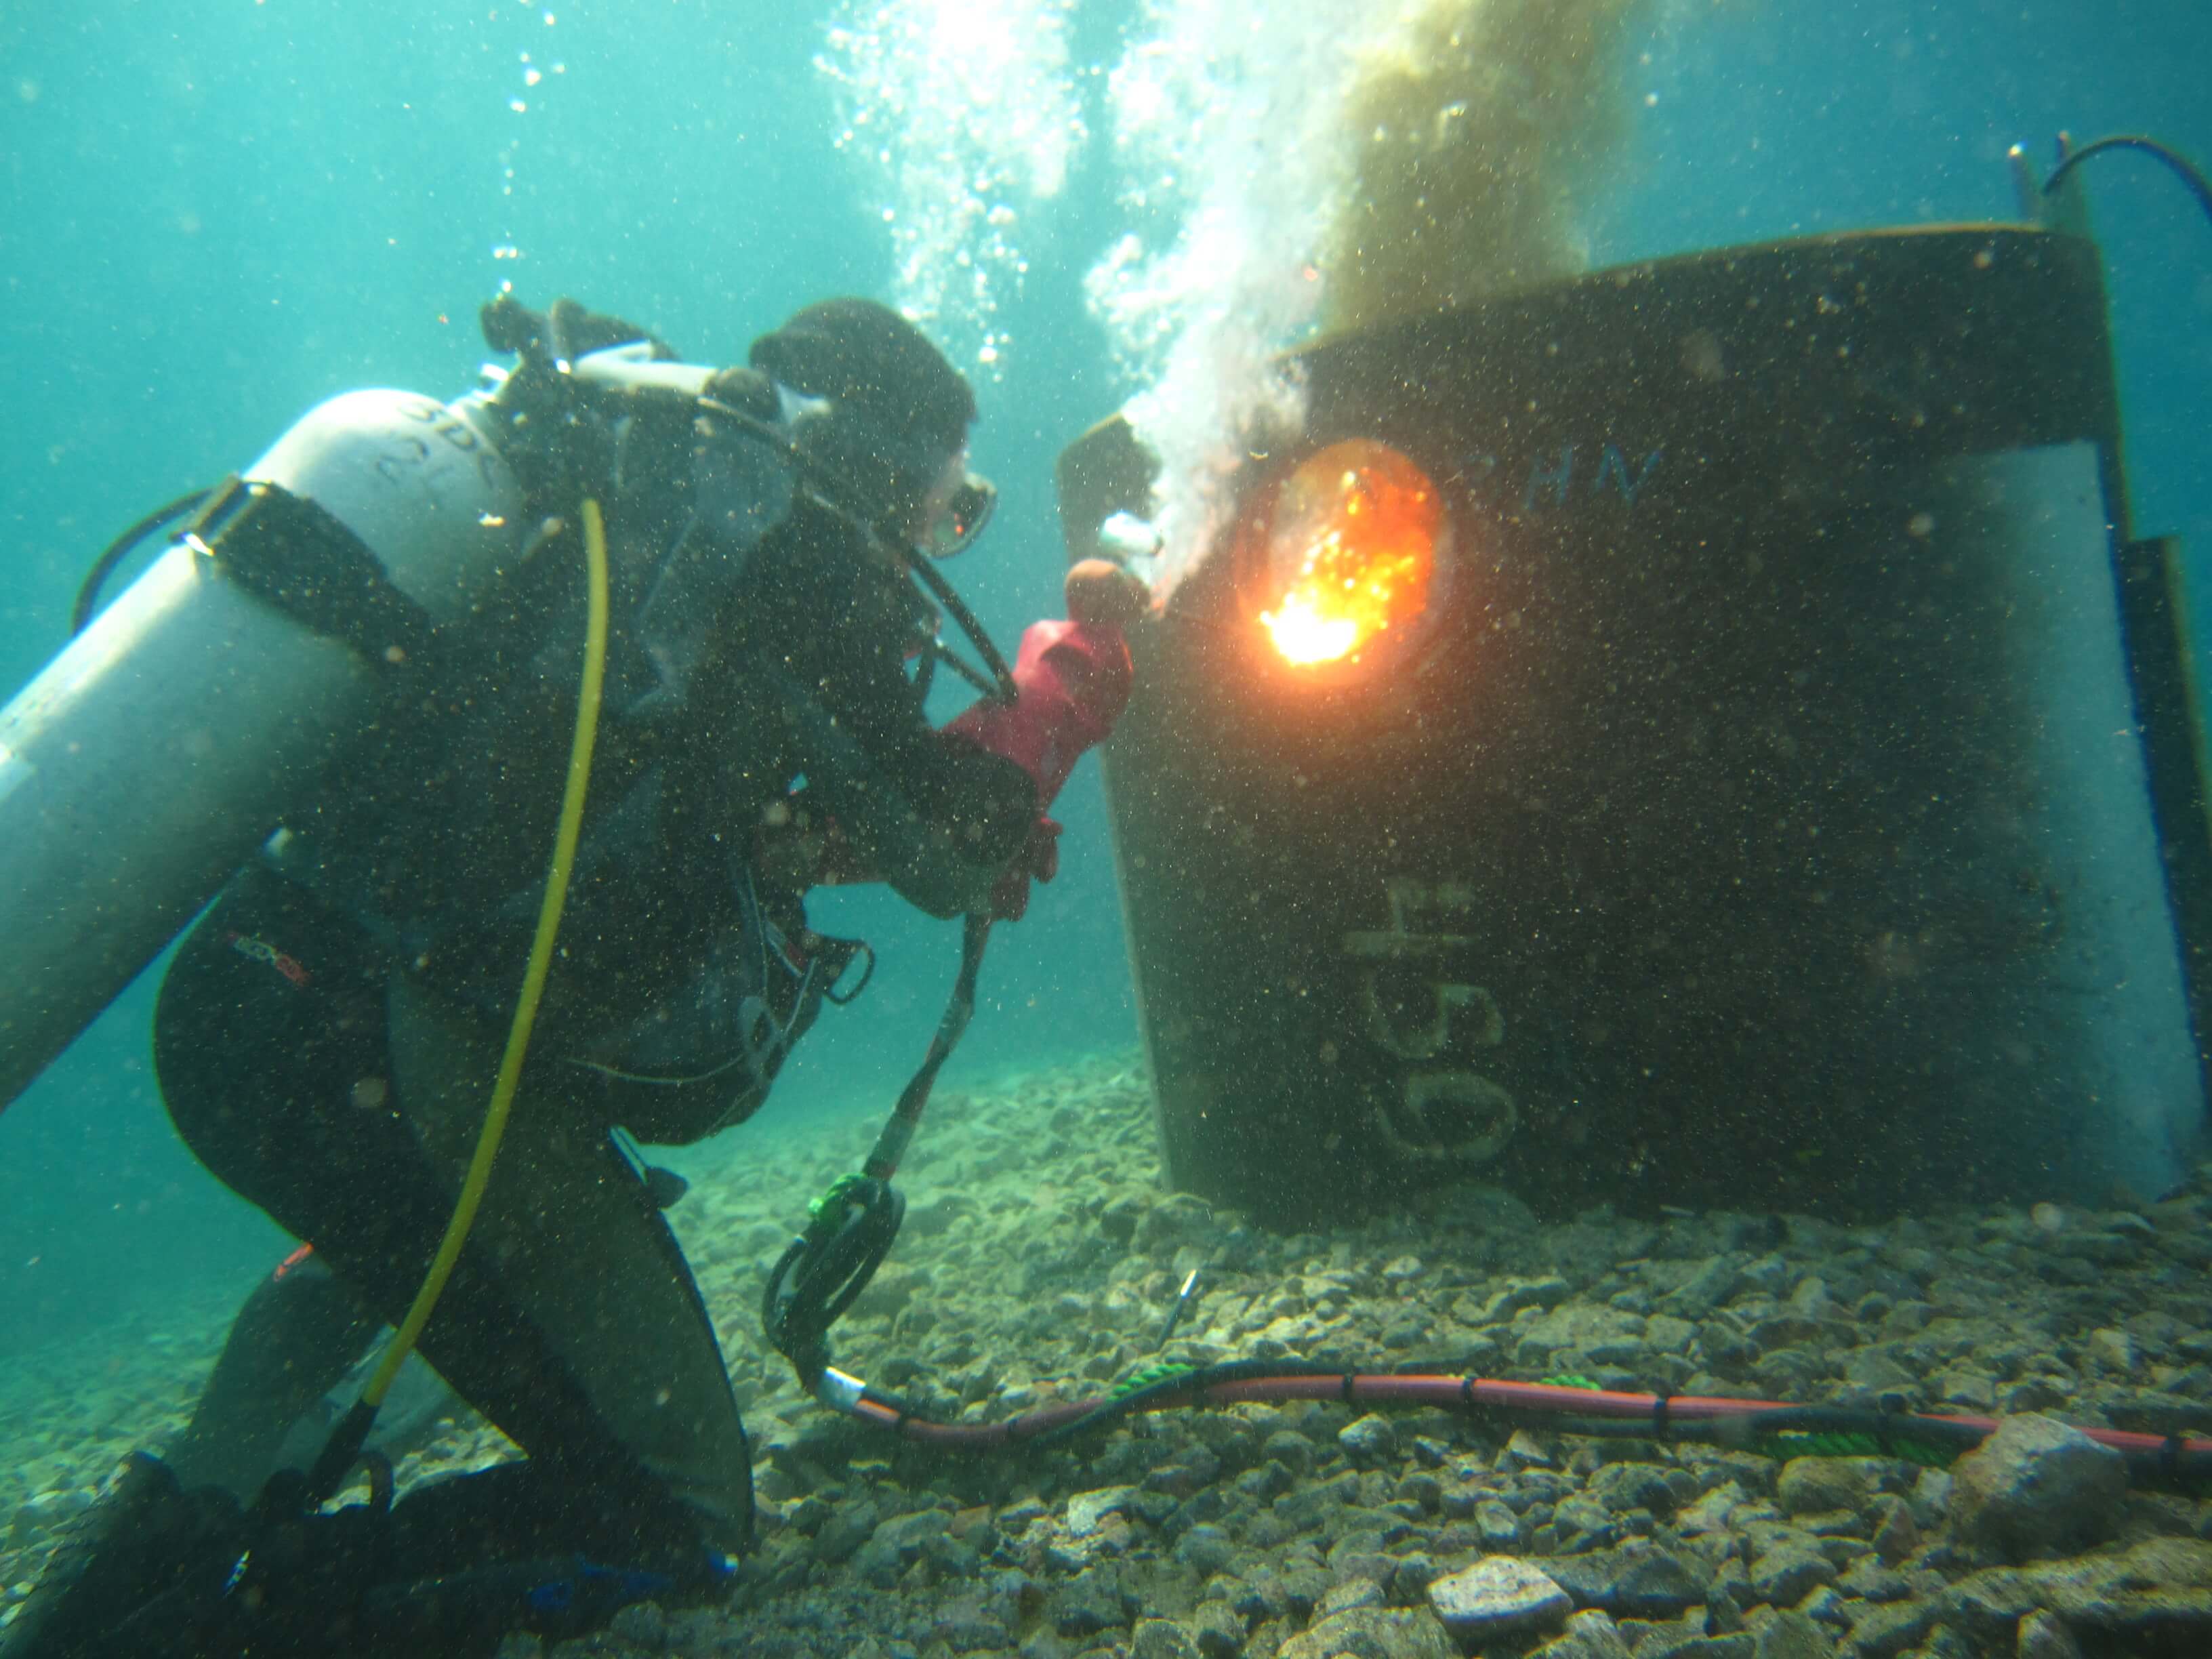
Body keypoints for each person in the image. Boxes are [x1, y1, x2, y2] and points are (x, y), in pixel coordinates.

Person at [2, 295, 1144, 1659]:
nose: (928, 545)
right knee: (684, 1520)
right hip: (395, 1052)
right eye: (945, 507)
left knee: (416, 1245)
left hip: (258, 1001)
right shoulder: (800, 548)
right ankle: (212, 1625)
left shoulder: (633, 516)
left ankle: (157, 1542)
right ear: (881, 466)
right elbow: (951, 861)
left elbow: (628, 822)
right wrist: (1058, 697)